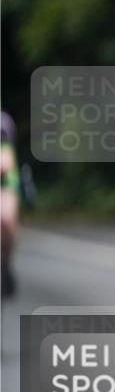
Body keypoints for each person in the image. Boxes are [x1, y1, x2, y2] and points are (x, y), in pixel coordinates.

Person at [1, 110, 21, 299]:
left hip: (4, 182)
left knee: (5, 219)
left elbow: (6, 163)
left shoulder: (3, 123)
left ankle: (5, 266)